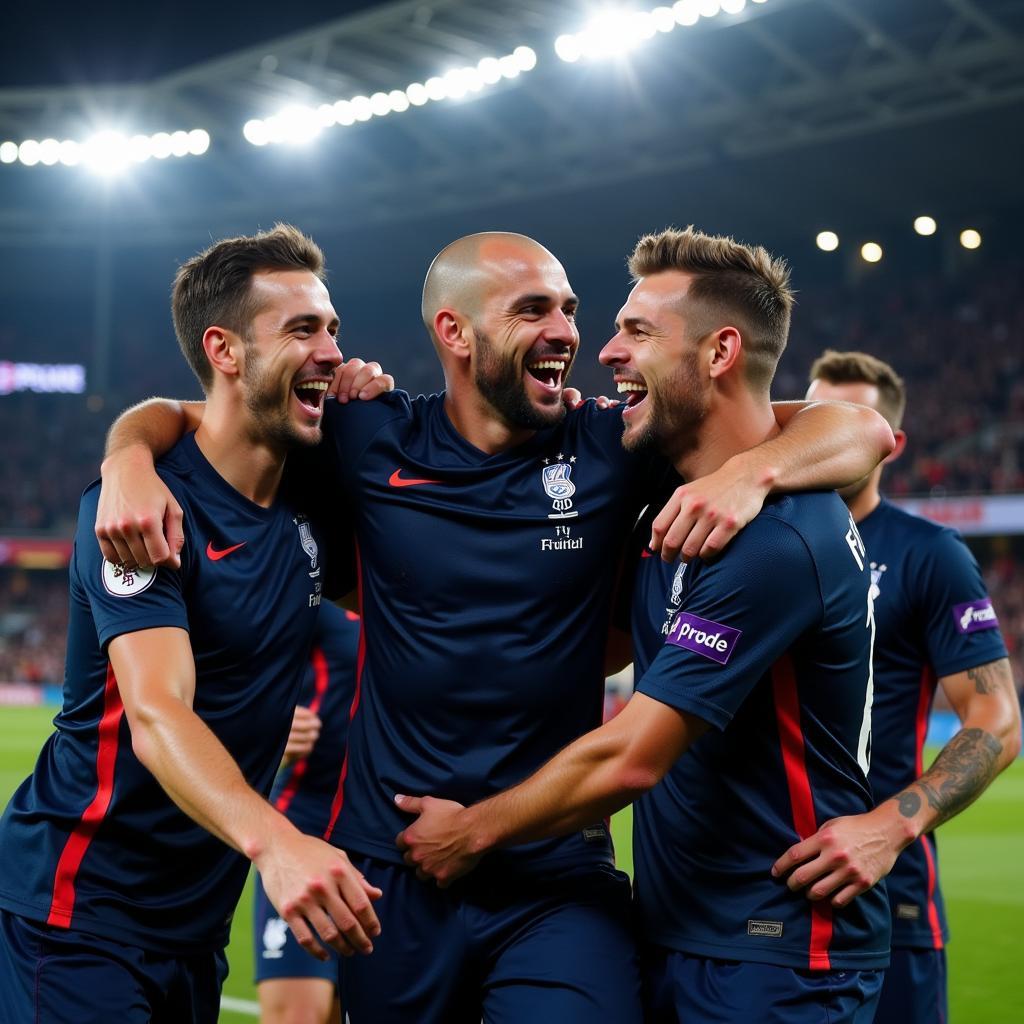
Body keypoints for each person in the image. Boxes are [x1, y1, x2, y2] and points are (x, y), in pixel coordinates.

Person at [94, 230, 894, 1023]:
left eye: (571, 310)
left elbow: (855, 432)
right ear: (455, 332)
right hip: (392, 865)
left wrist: (751, 472)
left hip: (554, 872)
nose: (571, 335)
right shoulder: (367, 436)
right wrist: (125, 459)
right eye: (534, 309)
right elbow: (201, 414)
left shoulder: (614, 443)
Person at [396, 227, 893, 1024]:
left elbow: (631, 760)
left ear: (720, 352)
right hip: (686, 933)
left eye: (637, 331)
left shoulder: (776, 540)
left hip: (776, 954)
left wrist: (473, 831)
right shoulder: (679, 498)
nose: (605, 352)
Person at [0, 225, 388, 1024]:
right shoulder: (139, 515)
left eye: (334, 329)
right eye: (302, 328)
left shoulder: (308, 493)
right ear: (227, 350)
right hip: (77, 915)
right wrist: (277, 840)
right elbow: (156, 710)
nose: (331, 349)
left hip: (193, 927)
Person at [768, 350, 1021, 1024]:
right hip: (756, 890)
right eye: (821, 418)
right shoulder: (763, 537)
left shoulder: (929, 553)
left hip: (887, 891)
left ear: (891, 443)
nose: (836, 434)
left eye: (857, 420)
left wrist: (888, 830)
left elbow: (997, 719)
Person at [254, 601, 360, 1024]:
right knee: (300, 1016)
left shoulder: (424, 589)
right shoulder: (314, 580)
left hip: (396, 838)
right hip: (306, 827)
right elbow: (234, 661)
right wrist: (268, 724)